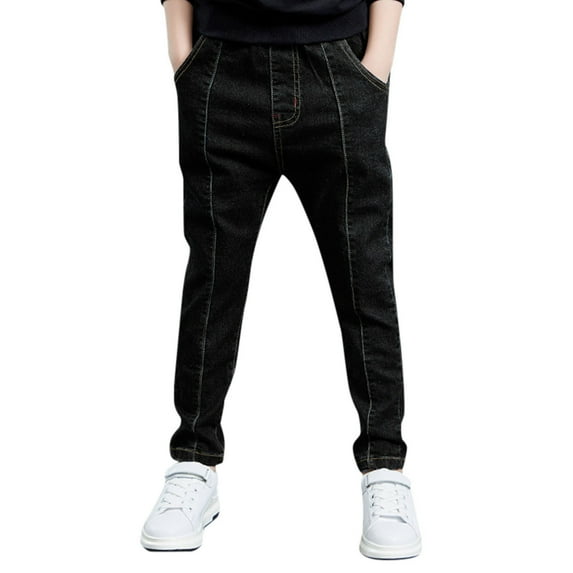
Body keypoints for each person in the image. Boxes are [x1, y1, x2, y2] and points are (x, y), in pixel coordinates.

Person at [141, 0, 422, 559]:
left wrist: (377, 62)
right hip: (220, 68)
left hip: (340, 68)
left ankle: (385, 467)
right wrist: (181, 53)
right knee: (213, 280)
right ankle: (193, 462)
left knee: (364, 278)